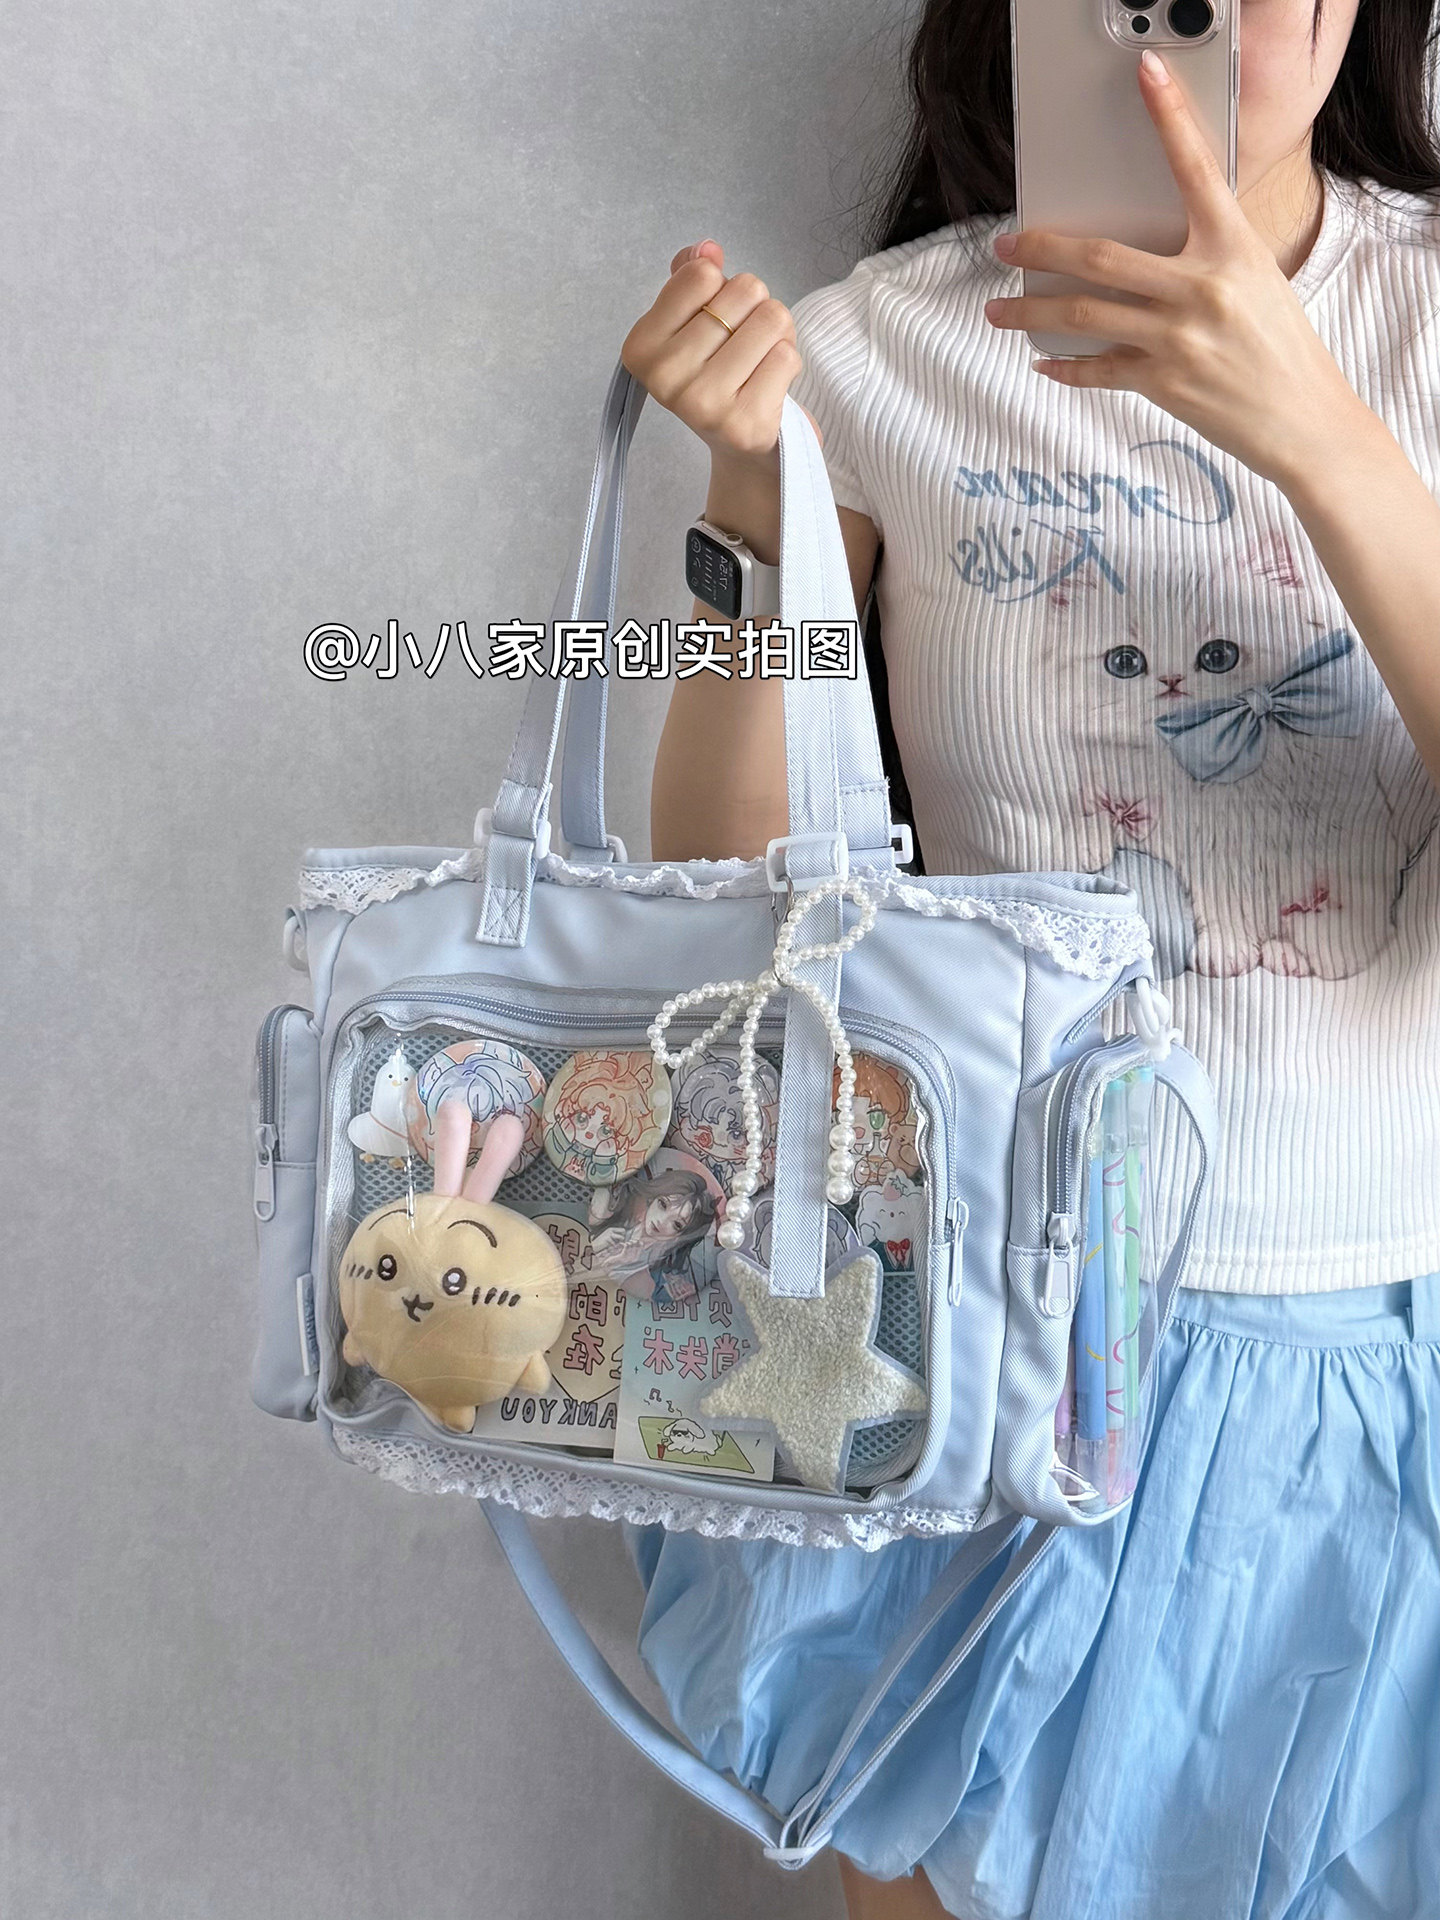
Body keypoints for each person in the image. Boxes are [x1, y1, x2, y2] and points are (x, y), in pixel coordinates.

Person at [616, 0, 1440, 1912]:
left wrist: (1313, 426)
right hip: (975, 1357)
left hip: (1378, 1352)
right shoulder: (874, 355)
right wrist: (751, 507)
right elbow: (731, 902)